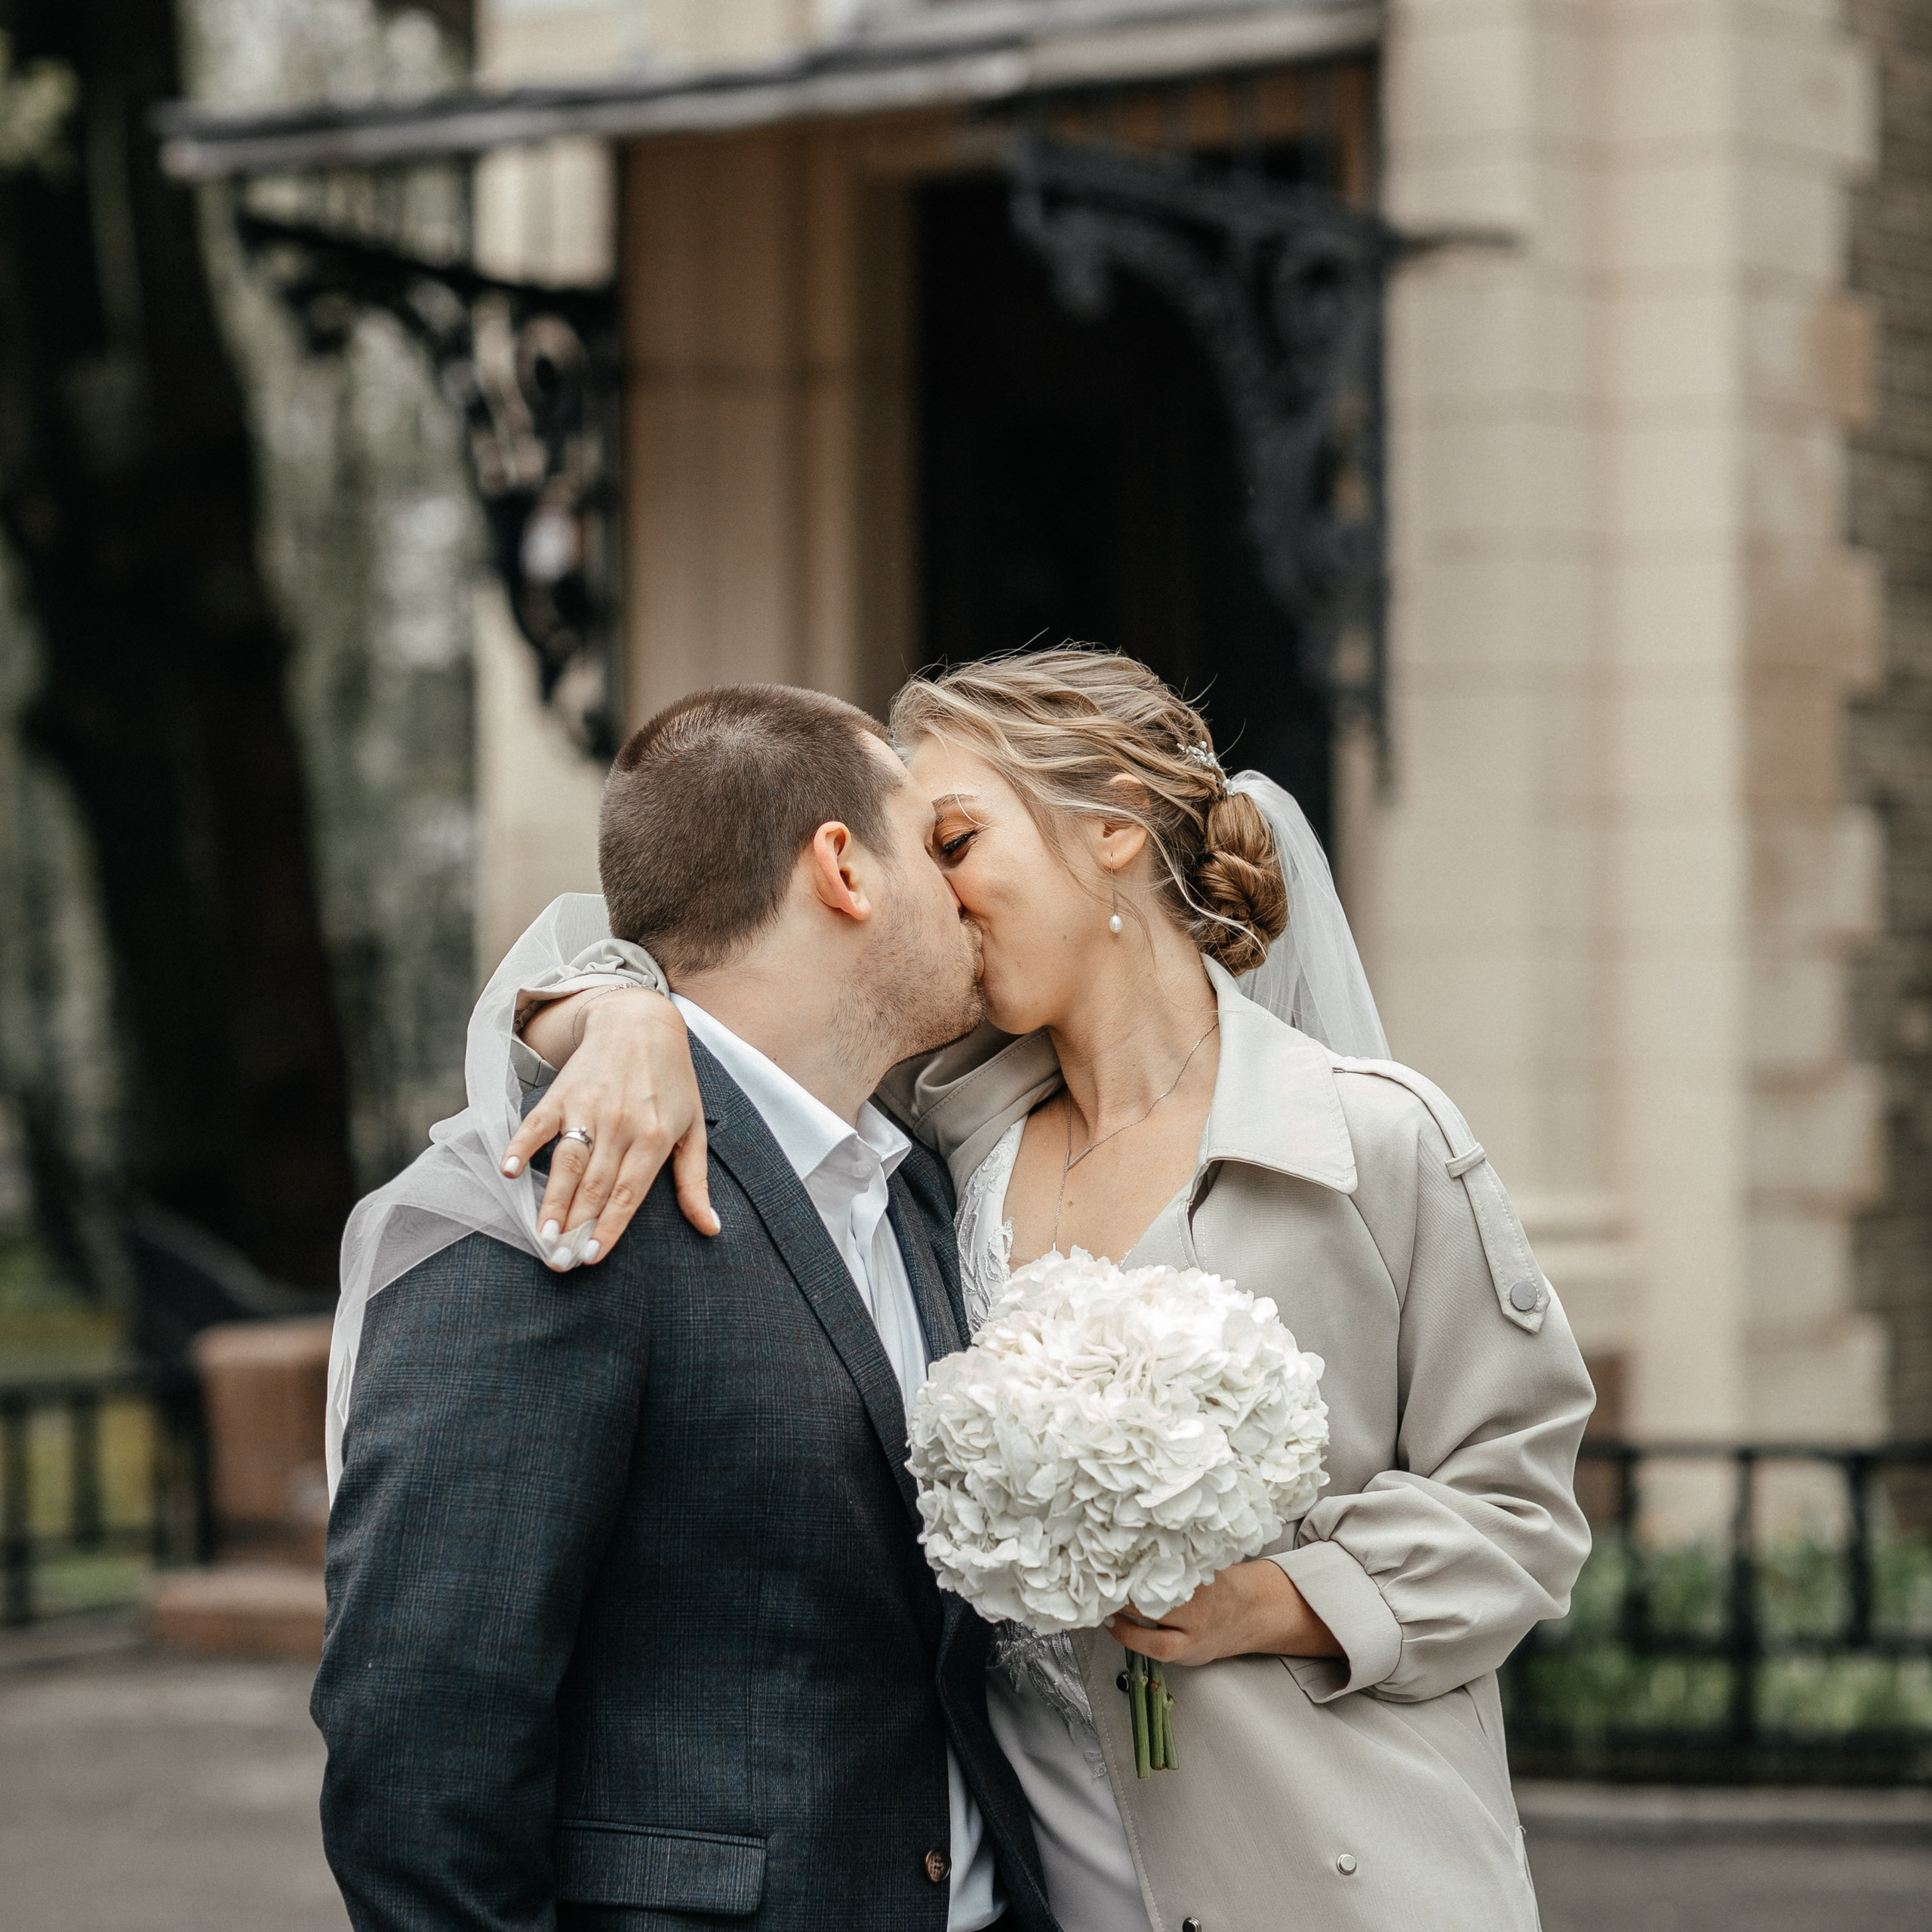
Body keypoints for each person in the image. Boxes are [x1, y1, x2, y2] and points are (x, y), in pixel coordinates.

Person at [496, 648, 1597, 1932]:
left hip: (1327, 1859)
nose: (931, 892)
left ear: (1115, 828)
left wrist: (1275, 1601)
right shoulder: (933, 1144)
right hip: (1046, 1873)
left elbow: (1521, 1499)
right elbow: (723, 987)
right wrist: (624, 1011)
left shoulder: (1374, 1143)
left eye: (955, 839)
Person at [312, 685, 1060, 1932]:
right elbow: (419, 1745)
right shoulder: (559, 1204)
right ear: (843, 868)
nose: (966, 895)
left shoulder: (920, 1178)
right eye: (936, 847)